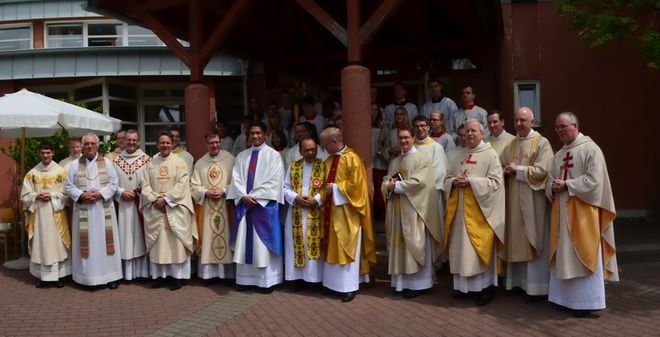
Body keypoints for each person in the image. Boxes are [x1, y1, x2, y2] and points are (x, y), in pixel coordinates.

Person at [545, 111, 618, 317]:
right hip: (561, 215)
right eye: (557, 127)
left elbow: (596, 182)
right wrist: (552, 187)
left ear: (575, 126)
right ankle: (563, 299)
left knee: (583, 254)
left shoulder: (591, 149)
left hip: (583, 216)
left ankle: (586, 302)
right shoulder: (559, 155)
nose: (559, 131)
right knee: (563, 256)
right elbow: (549, 181)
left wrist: (567, 185)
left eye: (563, 126)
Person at [443, 119, 504, 306]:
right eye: (466, 131)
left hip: (481, 214)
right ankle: (464, 288)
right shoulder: (458, 155)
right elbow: (446, 178)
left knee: (478, 250)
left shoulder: (490, 155)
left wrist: (471, 182)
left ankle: (485, 289)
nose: (469, 134)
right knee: (461, 250)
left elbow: (496, 183)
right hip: (459, 213)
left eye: (473, 131)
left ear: (482, 133)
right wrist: (453, 182)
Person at [382, 128, 442, 298]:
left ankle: (419, 284)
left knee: (414, 244)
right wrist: (387, 185)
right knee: (399, 246)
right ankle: (400, 283)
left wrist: (397, 186)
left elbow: (421, 182)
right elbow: (387, 179)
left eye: (406, 138)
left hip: (415, 209)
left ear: (413, 138)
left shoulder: (422, 159)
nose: (403, 141)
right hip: (397, 209)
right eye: (400, 138)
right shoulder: (395, 161)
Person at [501, 107, 554, 299]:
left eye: (523, 120)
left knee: (534, 237)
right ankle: (517, 283)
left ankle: (536, 287)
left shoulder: (542, 143)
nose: (518, 124)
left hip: (534, 201)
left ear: (533, 121)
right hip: (513, 199)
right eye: (516, 120)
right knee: (515, 240)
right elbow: (501, 165)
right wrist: (505, 170)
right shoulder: (512, 144)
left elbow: (543, 170)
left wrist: (518, 169)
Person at [320, 126, 376, 302]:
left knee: (347, 247)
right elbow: (322, 185)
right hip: (330, 211)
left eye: (325, 145)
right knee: (331, 248)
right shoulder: (328, 160)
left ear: (335, 142)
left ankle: (348, 287)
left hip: (347, 214)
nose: (324, 149)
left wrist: (336, 188)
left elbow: (358, 188)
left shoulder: (353, 159)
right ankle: (332, 285)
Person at [227, 121, 285, 293]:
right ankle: (245, 281)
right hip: (245, 205)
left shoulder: (273, 155)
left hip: (263, 207)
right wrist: (243, 196)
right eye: (252, 133)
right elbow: (236, 179)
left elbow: (275, 180)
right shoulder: (241, 156)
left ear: (265, 134)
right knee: (245, 242)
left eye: (258, 133)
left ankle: (266, 282)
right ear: (248, 135)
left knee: (262, 245)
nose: (255, 136)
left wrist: (255, 197)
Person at [141, 131, 197, 290]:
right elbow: (144, 185)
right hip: (156, 209)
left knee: (175, 244)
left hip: (175, 208)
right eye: (162, 143)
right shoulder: (151, 163)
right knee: (159, 244)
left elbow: (183, 184)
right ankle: (160, 276)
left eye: (168, 142)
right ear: (157, 145)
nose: (165, 145)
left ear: (172, 144)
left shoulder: (180, 162)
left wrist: (166, 200)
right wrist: (155, 199)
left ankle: (177, 277)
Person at [65, 133, 122, 289]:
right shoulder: (74, 165)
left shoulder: (108, 164)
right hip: (84, 210)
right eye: (86, 144)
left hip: (103, 210)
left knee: (105, 242)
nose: (89, 146)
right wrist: (82, 195)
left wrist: (100, 194)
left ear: (97, 145)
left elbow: (113, 184)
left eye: (92, 143)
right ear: (83, 146)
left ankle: (110, 276)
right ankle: (85, 278)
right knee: (87, 243)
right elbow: (68, 186)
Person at [21, 142, 71, 288]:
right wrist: (36, 196)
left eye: (48, 152)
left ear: (53, 153)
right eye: (43, 153)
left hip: (56, 215)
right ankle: (42, 277)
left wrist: (52, 195)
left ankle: (57, 277)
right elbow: (24, 195)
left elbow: (67, 193)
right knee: (41, 244)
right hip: (39, 217)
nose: (45, 155)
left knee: (56, 245)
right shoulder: (32, 173)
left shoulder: (60, 172)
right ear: (39, 153)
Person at [191, 130, 236, 282]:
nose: (214, 145)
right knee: (208, 238)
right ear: (206, 144)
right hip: (207, 207)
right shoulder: (200, 163)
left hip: (226, 206)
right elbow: (193, 186)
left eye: (217, 142)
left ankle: (227, 275)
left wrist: (224, 190)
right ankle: (209, 275)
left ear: (220, 142)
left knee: (226, 235)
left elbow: (238, 183)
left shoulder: (230, 159)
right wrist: (205, 192)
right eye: (211, 143)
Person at [282, 138, 326, 289]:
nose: (310, 152)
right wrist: (295, 198)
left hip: (316, 212)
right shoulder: (293, 166)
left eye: (313, 149)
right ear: (300, 151)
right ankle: (296, 279)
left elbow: (328, 188)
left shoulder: (323, 166)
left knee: (313, 245)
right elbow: (284, 187)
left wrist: (317, 199)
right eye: (306, 150)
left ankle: (314, 280)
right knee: (295, 245)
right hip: (296, 212)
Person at [113, 129, 151, 281]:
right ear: (124, 141)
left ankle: (142, 273)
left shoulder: (147, 160)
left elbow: (150, 182)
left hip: (140, 204)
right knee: (124, 238)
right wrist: (121, 191)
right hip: (122, 205)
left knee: (140, 238)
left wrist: (138, 192)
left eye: (134, 140)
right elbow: (110, 183)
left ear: (139, 141)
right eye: (128, 140)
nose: (131, 142)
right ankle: (125, 274)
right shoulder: (116, 161)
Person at [412, 116, 448, 263]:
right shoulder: (409, 146)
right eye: (417, 126)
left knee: (430, 230)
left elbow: (439, 172)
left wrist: (416, 185)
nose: (420, 129)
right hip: (410, 196)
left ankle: (433, 262)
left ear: (428, 127)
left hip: (430, 196)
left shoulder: (436, 147)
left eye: (423, 125)